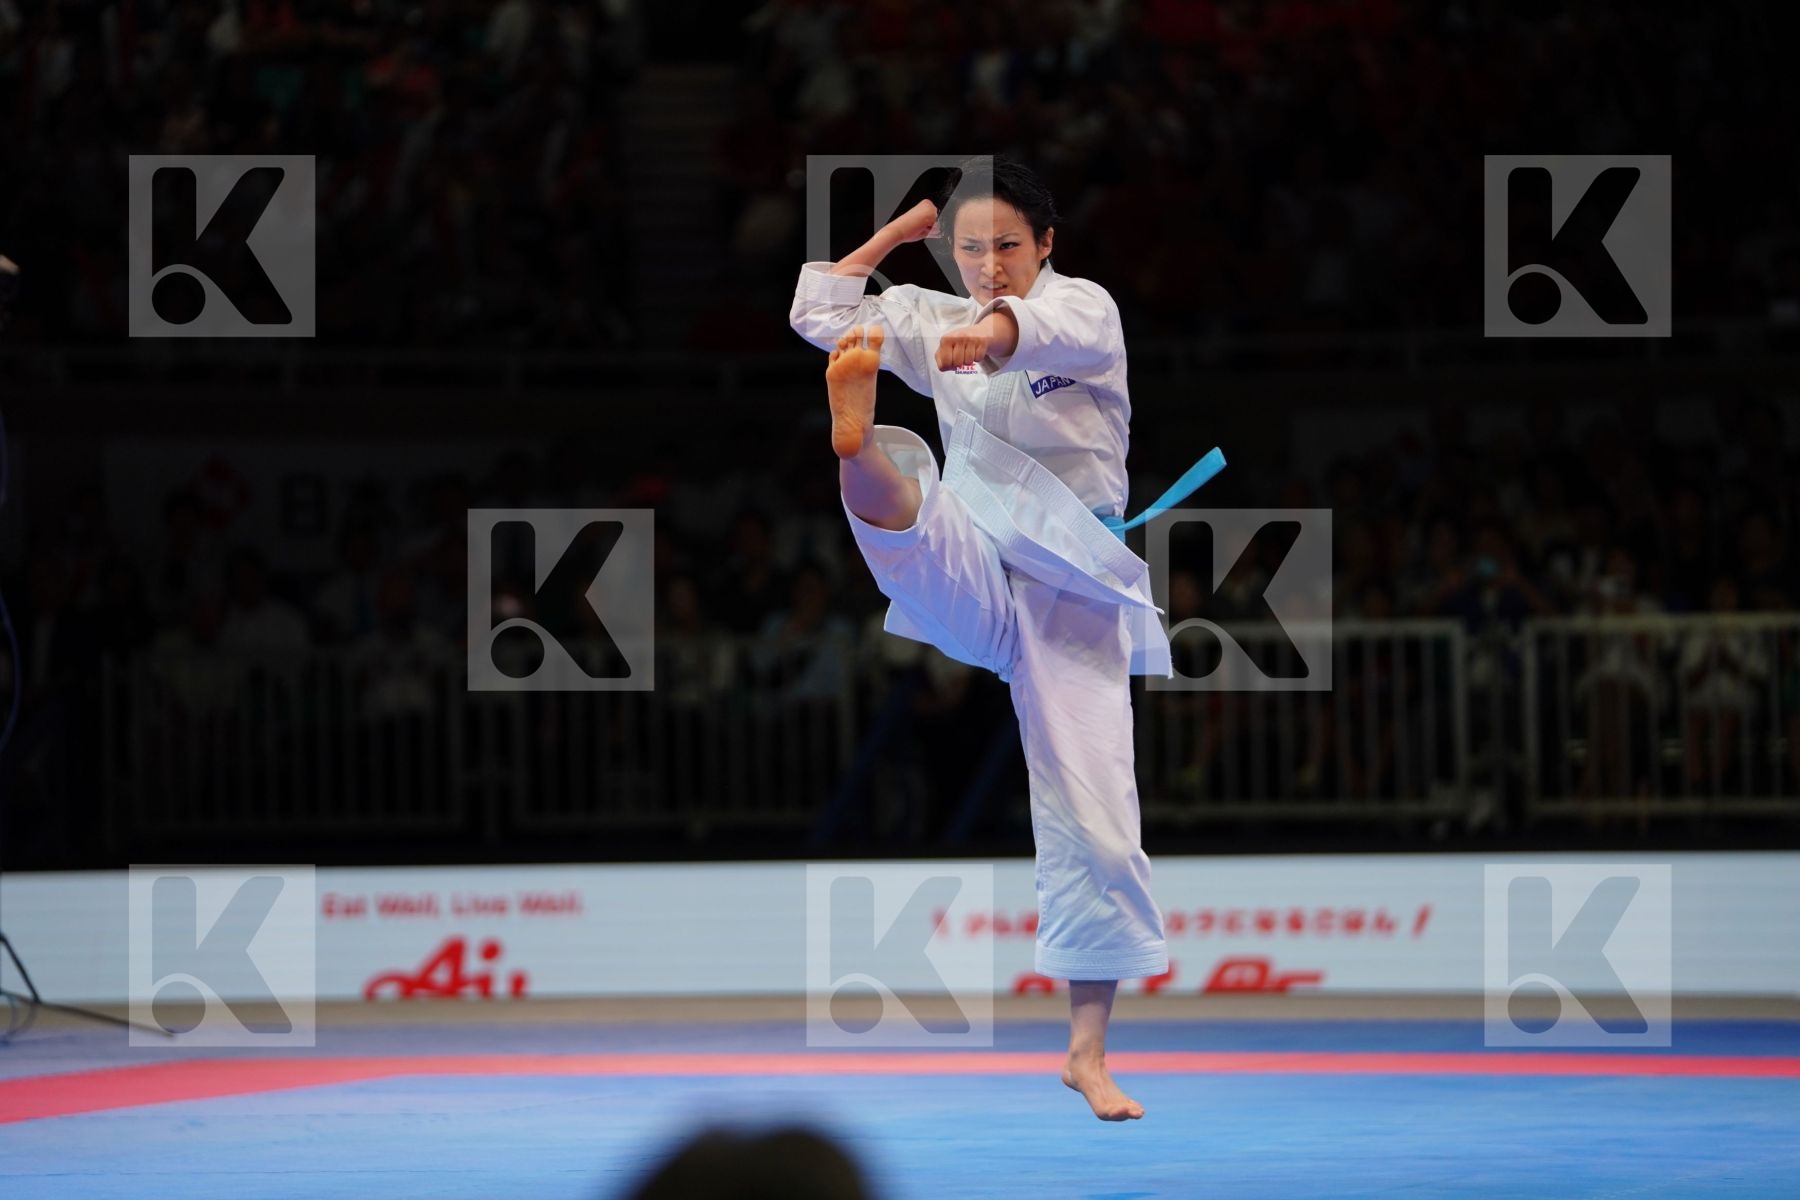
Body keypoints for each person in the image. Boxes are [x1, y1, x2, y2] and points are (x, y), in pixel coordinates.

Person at [789, 157, 1179, 1121]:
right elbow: (821, 313)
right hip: (976, 547)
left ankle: (1086, 1055)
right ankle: (857, 445)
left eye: (1007, 245)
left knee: (1098, 818)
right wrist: (898, 233)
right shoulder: (932, 313)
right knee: (911, 538)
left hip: (1068, 583)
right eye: (969, 248)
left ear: (1045, 243)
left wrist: (989, 333)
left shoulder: (1085, 307)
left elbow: (1025, 329)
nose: (989, 266)